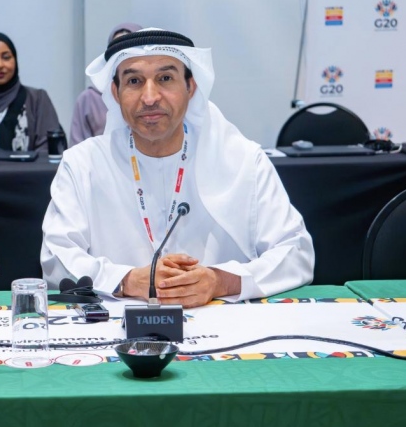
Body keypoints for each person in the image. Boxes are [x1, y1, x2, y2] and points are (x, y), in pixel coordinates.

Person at [40, 29, 314, 307]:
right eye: (134, 81)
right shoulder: (83, 164)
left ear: (190, 87)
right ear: (116, 92)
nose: (149, 97)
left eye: (165, 78)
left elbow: (297, 252)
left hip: (222, 321)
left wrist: (221, 281)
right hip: (115, 325)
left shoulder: (244, 160)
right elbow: (56, 258)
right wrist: (126, 280)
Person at [70, 22, 142, 146]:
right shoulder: (89, 98)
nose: (123, 57)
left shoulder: (152, 97)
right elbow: (78, 148)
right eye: (117, 51)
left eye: (130, 50)